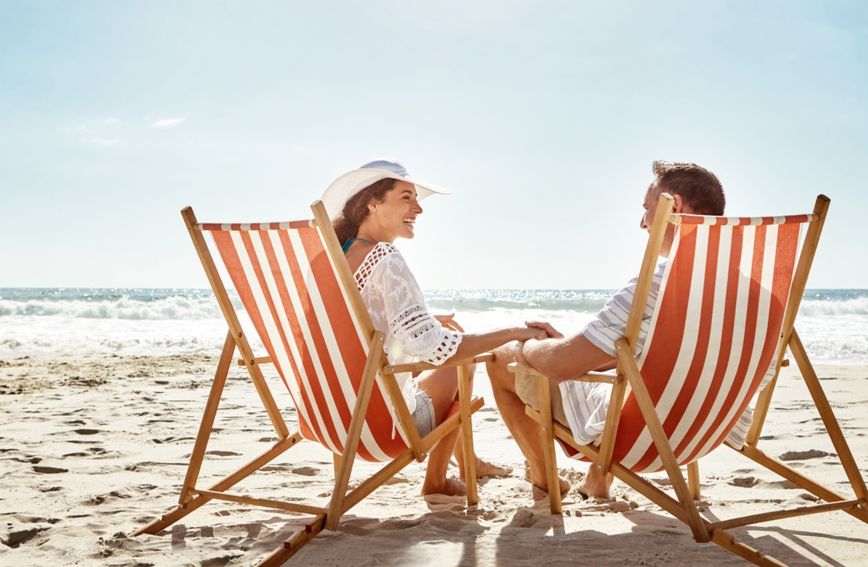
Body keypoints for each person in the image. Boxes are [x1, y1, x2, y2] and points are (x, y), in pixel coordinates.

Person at [485, 161, 727, 500]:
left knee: (500, 358)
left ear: (675, 207)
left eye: (647, 209)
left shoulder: (658, 286)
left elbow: (559, 366)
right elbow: (645, 356)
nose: (642, 222)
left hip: (645, 436)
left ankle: (543, 481)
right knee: (625, 366)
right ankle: (597, 479)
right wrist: (572, 345)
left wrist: (529, 345)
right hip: (708, 429)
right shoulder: (753, 293)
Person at [322, 159, 547, 497]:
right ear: (372, 202)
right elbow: (435, 346)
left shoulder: (334, 260)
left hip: (333, 418)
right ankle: (437, 481)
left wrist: (418, 320)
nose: (418, 209)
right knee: (463, 365)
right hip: (382, 427)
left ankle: (471, 460)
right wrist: (513, 332)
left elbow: (356, 329)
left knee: (439, 350)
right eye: (406, 197)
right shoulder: (384, 257)